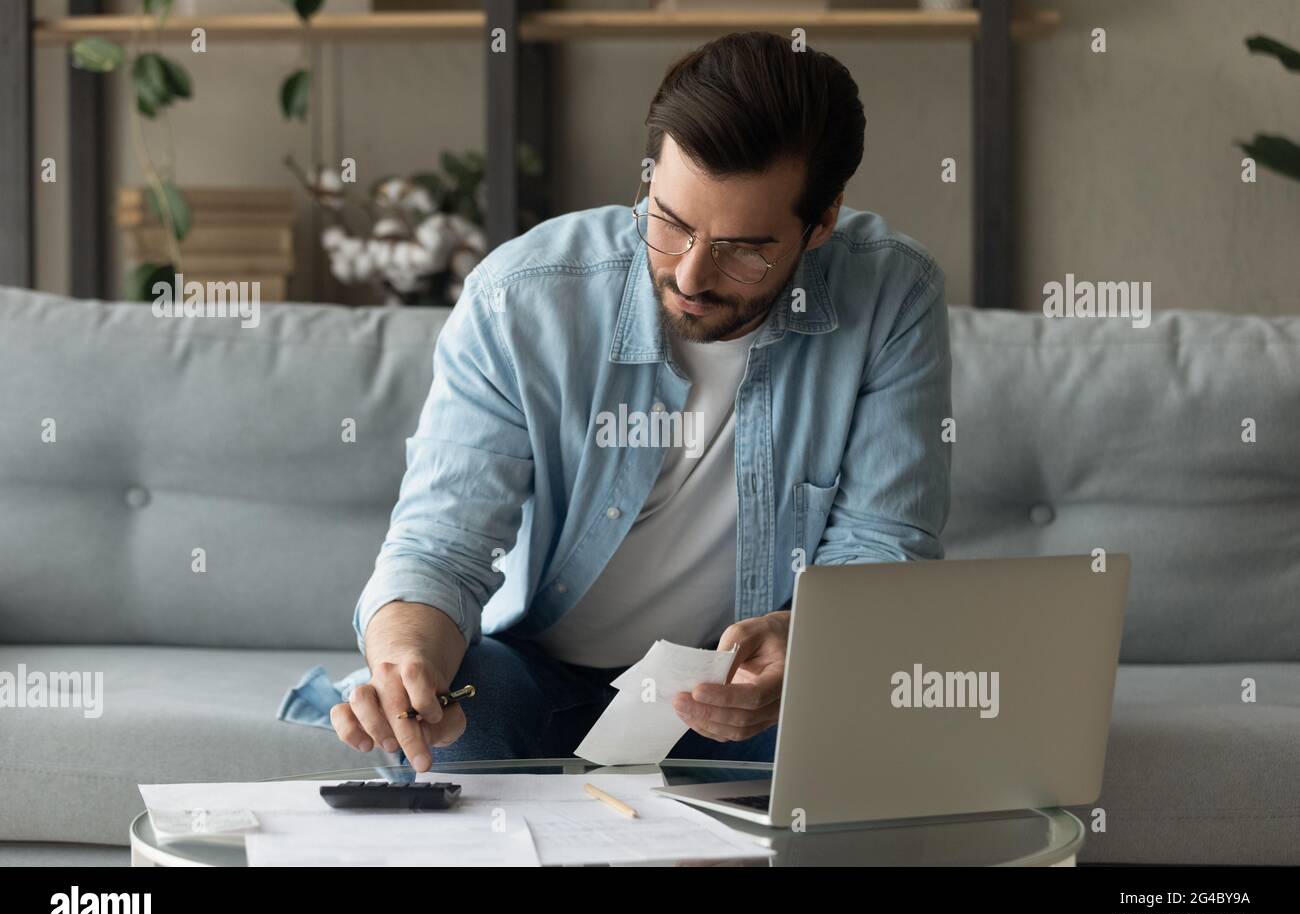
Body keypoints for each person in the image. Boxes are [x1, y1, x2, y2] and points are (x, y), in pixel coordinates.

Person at [329, 31, 952, 772]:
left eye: (743, 248)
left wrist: (807, 642)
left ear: (820, 225)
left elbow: (883, 544)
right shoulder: (518, 301)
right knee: (449, 739)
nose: (690, 274)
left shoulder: (892, 295)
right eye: (669, 221)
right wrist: (405, 657)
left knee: (878, 734)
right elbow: (441, 545)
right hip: (537, 674)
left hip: (741, 697)